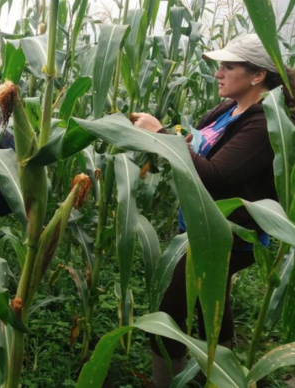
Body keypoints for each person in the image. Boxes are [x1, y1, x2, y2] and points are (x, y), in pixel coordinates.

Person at [131, 34, 295, 388]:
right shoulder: (228, 108)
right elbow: (200, 146)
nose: (217, 73)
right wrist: (171, 136)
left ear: (257, 76)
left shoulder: (265, 121)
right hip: (201, 224)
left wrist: (160, 134)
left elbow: (215, 176)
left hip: (228, 234)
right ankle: (227, 375)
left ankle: (167, 382)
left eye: (228, 66)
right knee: (212, 301)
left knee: (168, 311)